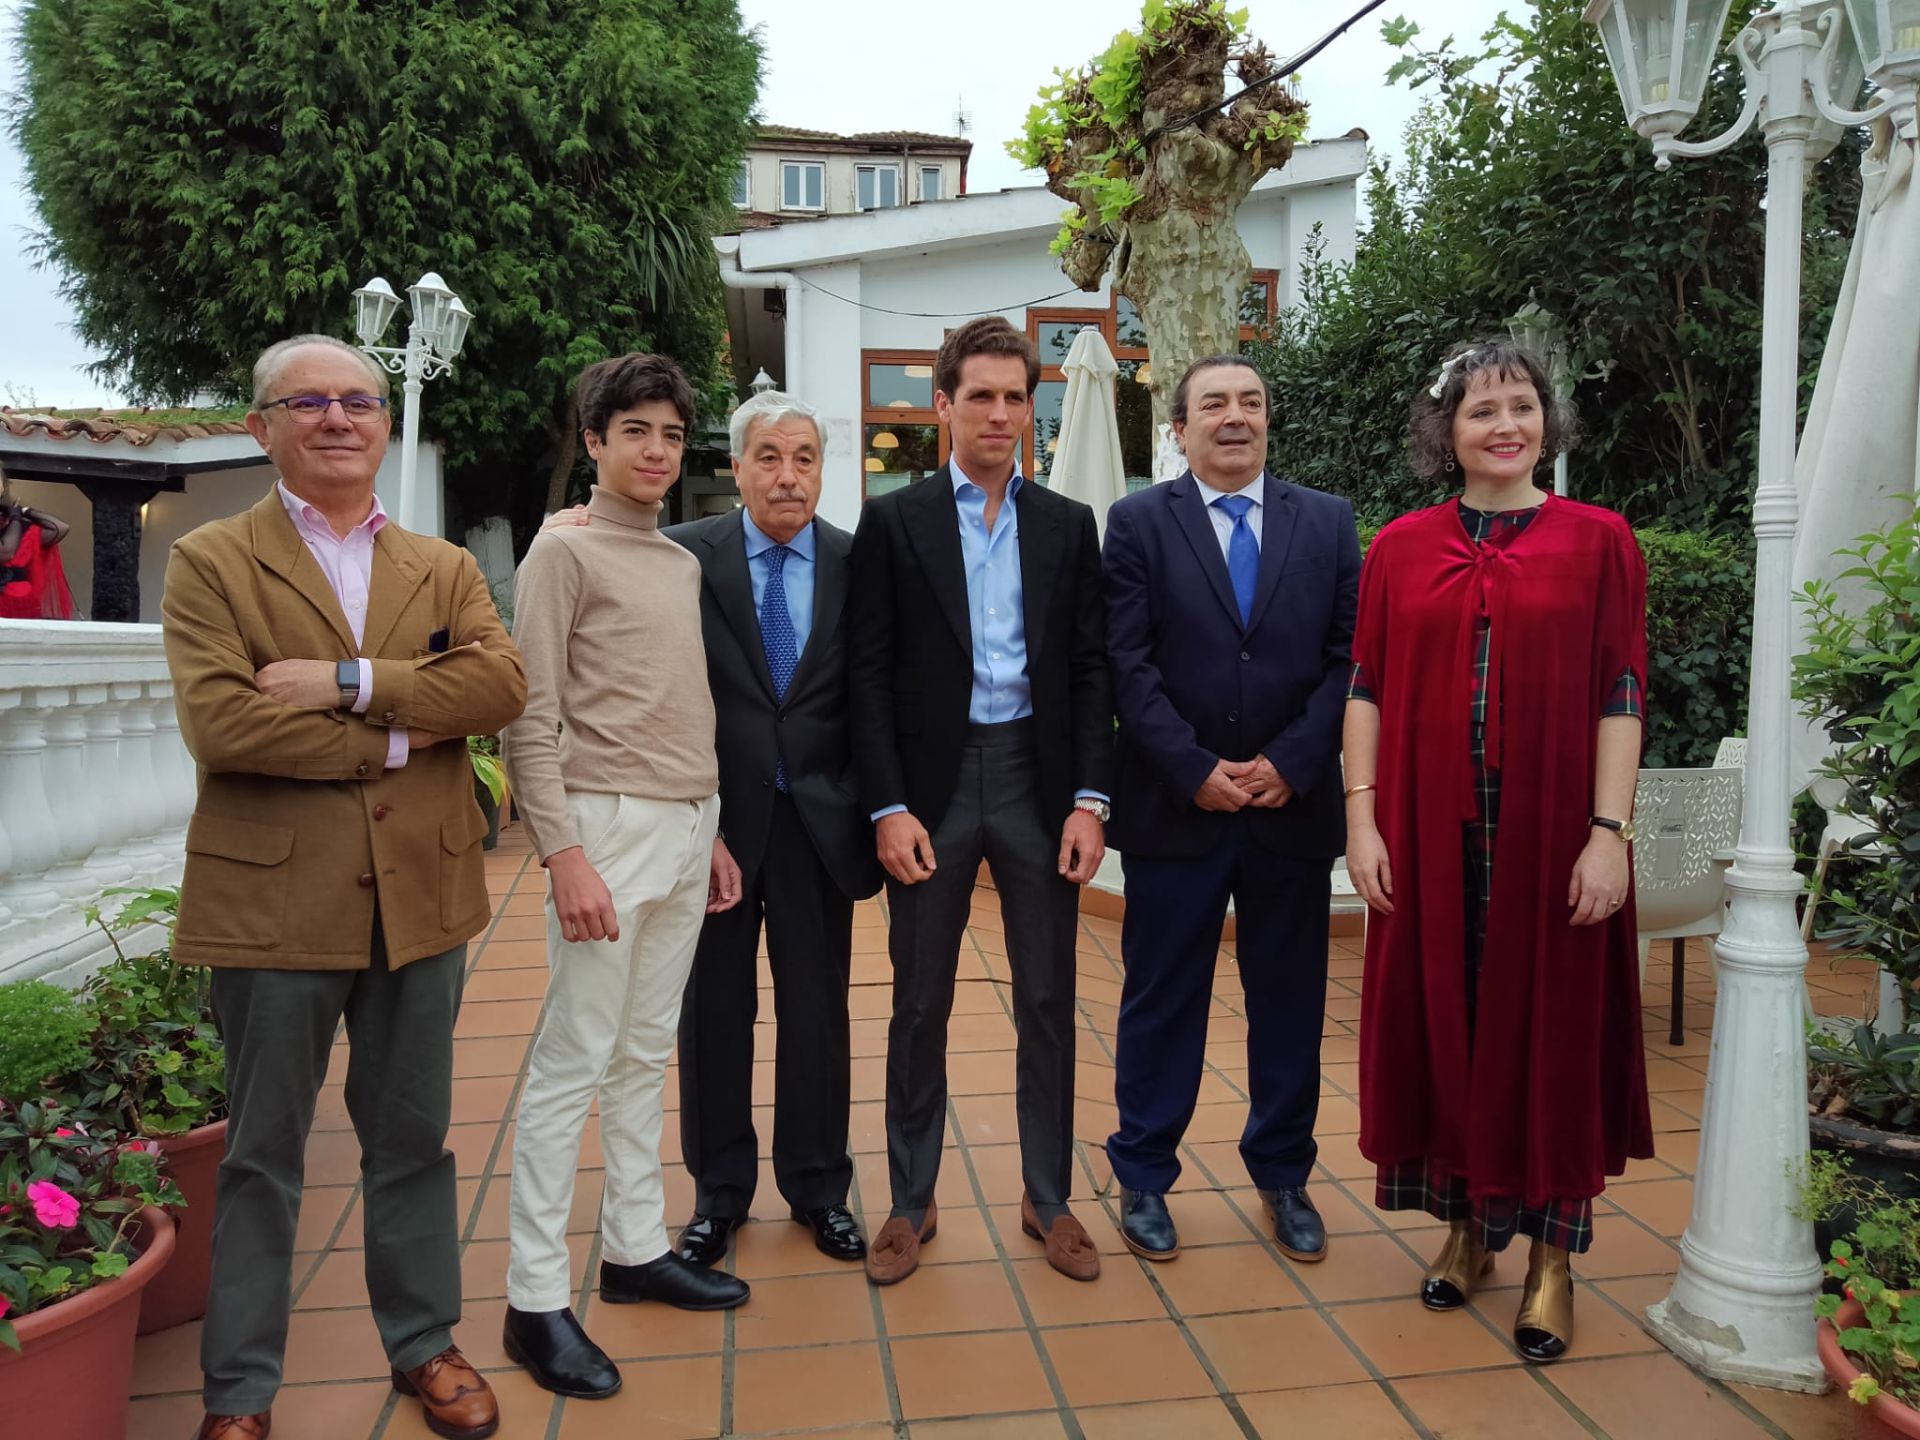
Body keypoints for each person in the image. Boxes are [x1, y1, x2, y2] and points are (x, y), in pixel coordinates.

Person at [162, 334, 526, 1440]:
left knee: (413, 1137)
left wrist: (348, 683)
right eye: (308, 401)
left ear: (384, 422)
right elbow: (225, 726)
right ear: (261, 427)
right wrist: (409, 735)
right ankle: (239, 1392)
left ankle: (423, 1342)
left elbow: (498, 686)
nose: (337, 418)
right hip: (273, 903)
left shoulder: (442, 566)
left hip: (421, 898)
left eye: (358, 400)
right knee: (263, 1155)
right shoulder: (211, 560)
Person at [1345, 339, 1653, 1364]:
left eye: (1521, 405)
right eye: (1482, 410)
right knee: (1448, 1025)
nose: (1505, 425)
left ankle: (1552, 1262)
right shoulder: (1399, 548)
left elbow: (1621, 693)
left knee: (1551, 1036)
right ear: (1448, 432)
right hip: (1430, 837)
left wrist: (1609, 834)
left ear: (1547, 421)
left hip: (1556, 839)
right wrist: (1361, 820)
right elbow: (1366, 688)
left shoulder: (1601, 541)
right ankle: (1468, 1230)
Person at [540, 389, 883, 1269]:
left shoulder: (859, 561)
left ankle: (819, 1187)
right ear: (736, 468)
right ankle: (719, 1195)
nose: (788, 475)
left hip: (818, 826)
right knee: (711, 1016)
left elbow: (876, 694)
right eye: (768, 457)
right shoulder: (684, 554)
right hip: (714, 830)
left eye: (804, 458)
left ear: (822, 470)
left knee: (818, 1015)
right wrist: (574, 520)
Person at [500, 352, 746, 1402]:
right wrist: (562, 854)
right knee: (574, 1061)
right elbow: (529, 714)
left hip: (690, 826)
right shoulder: (561, 552)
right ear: (594, 442)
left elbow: (675, 701)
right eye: (634, 431)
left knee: (646, 1052)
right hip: (603, 828)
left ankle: (636, 1249)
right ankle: (532, 1299)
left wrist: (711, 829)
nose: (656, 450)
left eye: (672, 435)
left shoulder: (677, 561)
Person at [849, 315, 1113, 1286]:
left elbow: (1090, 670)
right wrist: (887, 806)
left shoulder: (1067, 526)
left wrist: (1089, 801)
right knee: (919, 1000)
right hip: (934, 788)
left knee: (1048, 998)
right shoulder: (895, 522)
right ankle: (910, 1200)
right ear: (943, 404)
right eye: (982, 396)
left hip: (1039, 784)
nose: (1000, 413)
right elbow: (868, 676)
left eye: (1016, 397)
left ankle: (1049, 1197)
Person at [1101, 355, 1360, 1266]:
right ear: (1180, 428)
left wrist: (1294, 761)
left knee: (1288, 1003)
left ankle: (1284, 1175)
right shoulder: (1137, 523)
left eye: (1251, 401)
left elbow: (1349, 658)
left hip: (1290, 810)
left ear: (1268, 419)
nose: (1236, 416)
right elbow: (1126, 662)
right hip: (1178, 811)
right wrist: (1192, 767)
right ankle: (1143, 1173)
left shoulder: (1327, 521)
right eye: (1214, 403)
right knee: (1162, 1000)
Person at [0, 466, 76, 619]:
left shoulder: (13, 521)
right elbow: (6, 552)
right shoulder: (15, 522)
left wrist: (24, 511)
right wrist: (16, 518)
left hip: (22, 603)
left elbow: (59, 528)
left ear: (3, 487)